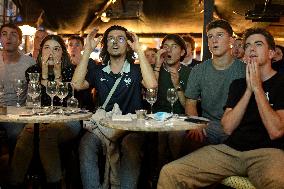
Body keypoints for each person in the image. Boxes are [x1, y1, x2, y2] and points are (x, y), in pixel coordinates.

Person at [157, 27, 284, 189]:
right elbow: (228, 127)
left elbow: (276, 131)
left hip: (268, 153)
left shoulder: (281, 83)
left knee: (278, 184)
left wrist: (258, 89)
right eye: (248, 46)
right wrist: (248, 89)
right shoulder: (238, 84)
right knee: (170, 173)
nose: (251, 48)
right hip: (231, 150)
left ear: (271, 53)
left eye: (258, 44)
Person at [72, 25, 157, 189]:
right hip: (104, 126)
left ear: (128, 44)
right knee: (86, 145)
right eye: (110, 39)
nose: (115, 42)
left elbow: (152, 85)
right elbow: (76, 84)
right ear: (105, 45)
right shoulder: (98, 70)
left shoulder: (136, 69)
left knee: (130, 146)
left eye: (121, 38)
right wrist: (87, 51)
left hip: (131, 128)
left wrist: (139, 50)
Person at [10, 35, 80, 187]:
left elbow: (65, 99)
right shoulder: (32, 71)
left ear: (63, 53)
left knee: (46, 135)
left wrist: (57, 72)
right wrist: (43, 73)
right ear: (41, 51)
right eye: (47, 48)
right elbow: (35, 101)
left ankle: (54, 183)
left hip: (67, 119)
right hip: (39, 119)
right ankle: (15, 182)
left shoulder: (71, 71)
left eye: (56, 49)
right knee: (26, 136)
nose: (51, 53)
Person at [185, 19, 246, 145]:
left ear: (231, 40)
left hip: (236, 126)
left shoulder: (244, 70)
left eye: (220, 35)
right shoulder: (198, 70)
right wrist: (197, 124)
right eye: (210, 36)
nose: (214, 40)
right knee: (183, 137)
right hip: (208, 126)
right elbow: (190, 103)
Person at [0, 23, 36, 158]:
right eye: (4, 34)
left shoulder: (30, 63)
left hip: (17, 112)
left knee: (17, 135)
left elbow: (34, 92)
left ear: (20, 40)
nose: (8, 38)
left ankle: (14, 174)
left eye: (13, 34)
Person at [67, 35, 95, 111]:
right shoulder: (65, 64)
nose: (73, 47)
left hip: (85, 107)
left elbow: (80, 86)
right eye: (70, 45)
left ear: (82, 47)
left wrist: (80, 64)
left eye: (77, 45)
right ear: (68, 48)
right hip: (67, 107)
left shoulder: (90, 63)